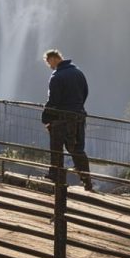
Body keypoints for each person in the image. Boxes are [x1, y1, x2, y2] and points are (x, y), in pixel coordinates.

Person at [41, 49, 93, 191]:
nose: (49, 65)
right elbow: (85, 92)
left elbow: (53, 100)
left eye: (48, 62)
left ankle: (56, 177)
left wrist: (46, 117)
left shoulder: (57, 76)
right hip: (79, 116)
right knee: (77, 149)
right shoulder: (78, 72)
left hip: (62, 119)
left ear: (53, 59)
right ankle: (87, 181)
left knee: (57, 148)